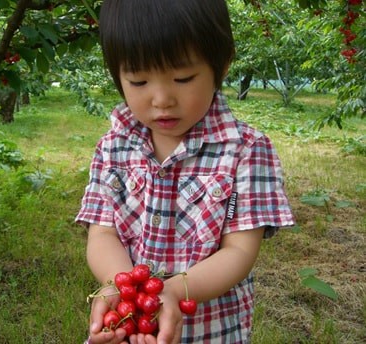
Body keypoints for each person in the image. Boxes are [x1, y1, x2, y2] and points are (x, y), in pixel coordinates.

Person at [75, 0, 295, 343]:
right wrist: (124, 289)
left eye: (182, 78)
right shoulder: (112, 147)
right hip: (131, 327)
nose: (161, 98)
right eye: (138, 80)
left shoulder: (246, 151)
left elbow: (238, 250)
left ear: (221, 66)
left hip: (212, 330)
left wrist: (175, 291)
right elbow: (102, 234)